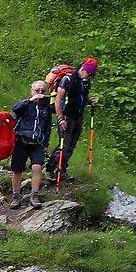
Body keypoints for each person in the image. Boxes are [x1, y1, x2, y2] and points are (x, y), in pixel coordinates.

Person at [10, 79, 56, 210]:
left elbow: (47, 127)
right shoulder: (25, 105)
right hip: (21, 140)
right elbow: (15, 109)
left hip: (38, 143)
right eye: (37, 90)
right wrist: (30, 100)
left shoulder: (46, 108)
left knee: (37, 167)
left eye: (43, 91)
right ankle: (16, 196)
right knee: (17, 169)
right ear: (31, 91)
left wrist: (46, 143)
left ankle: (34, 195)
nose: (40, 93)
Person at [52, 58, 96, 188]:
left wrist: (90, 101)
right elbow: (58, 100)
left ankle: (62, 169)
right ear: (84, 70)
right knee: (64, 145)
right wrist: (61, 118)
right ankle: (49, 169)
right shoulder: (68, 80)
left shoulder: (86, 83)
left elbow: (81, 98)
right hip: (66, 116)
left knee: (71, 146)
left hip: (78, 117)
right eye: (90, 74)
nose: (90, 77)